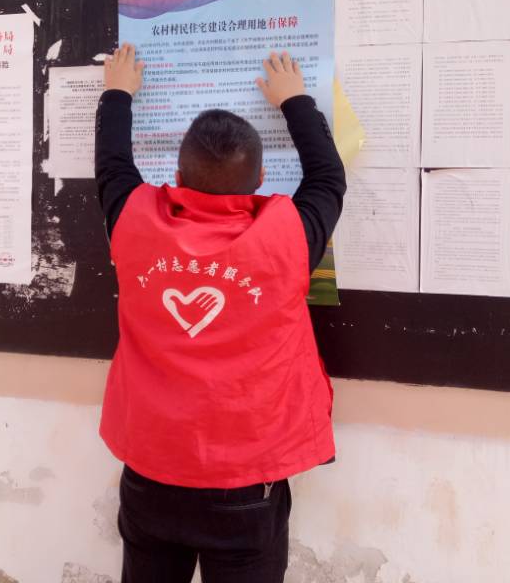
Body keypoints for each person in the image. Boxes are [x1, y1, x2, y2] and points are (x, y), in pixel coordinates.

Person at [94, 43, 346, 583]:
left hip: (150, 473)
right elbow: (327, 179)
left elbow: (112, 166)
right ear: (261, 179)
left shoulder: (132, 222)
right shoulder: (288, 237)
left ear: (177, 174)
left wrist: (117, 93)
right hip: (246, 485)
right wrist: (295, 100)